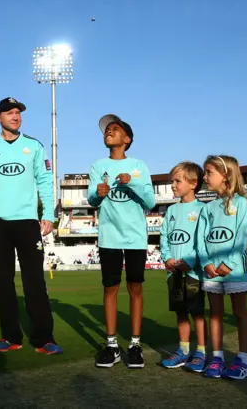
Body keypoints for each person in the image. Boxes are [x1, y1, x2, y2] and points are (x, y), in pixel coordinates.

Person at [0, 97, 61, 355]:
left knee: (34, 281)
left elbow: (45, 180)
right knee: (3, 282)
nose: (15, 116)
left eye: (18, 112)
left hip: (27, 221)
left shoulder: (33, 146)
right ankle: (11, 337)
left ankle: (44, 338)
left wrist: (48, 215)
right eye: (9, 113)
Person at [87, 114, 155, 369]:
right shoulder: (97, 165)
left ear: (127, 139)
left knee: (135, 288)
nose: (109, 132)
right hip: (109, 236)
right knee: (110, 288)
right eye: (106, 130)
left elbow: (150, 202)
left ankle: (135, 345)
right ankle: (112, 345)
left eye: (114, 129)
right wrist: (98, 193)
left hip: (136, 237)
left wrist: (132, 182)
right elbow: (92, 200)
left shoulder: (139, 165)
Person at [196, 155, 247, 379]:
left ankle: (244, 360)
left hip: (235, 270)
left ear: (226, 175)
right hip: (211, 271)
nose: (205, 176)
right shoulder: (208, 208)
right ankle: (217, 357)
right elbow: (201, 240)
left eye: (209, 172)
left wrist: (228, 263)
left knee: (240, 313)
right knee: (216, 315)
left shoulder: (241, 204)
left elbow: (242, 236)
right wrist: (207, 262)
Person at [159, 162, 207, 372]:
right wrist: (167, 257)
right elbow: (164, 238)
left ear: (193, 183)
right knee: (180, 312)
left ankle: (202, 352)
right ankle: (183, 350)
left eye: (178, 181)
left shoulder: (203, 209)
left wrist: (192, 261)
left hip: (194, 272)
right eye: (173, 181)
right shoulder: (170, 210)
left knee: (197, 312)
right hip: (174, 273)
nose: (173, 185)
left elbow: (204, 241)